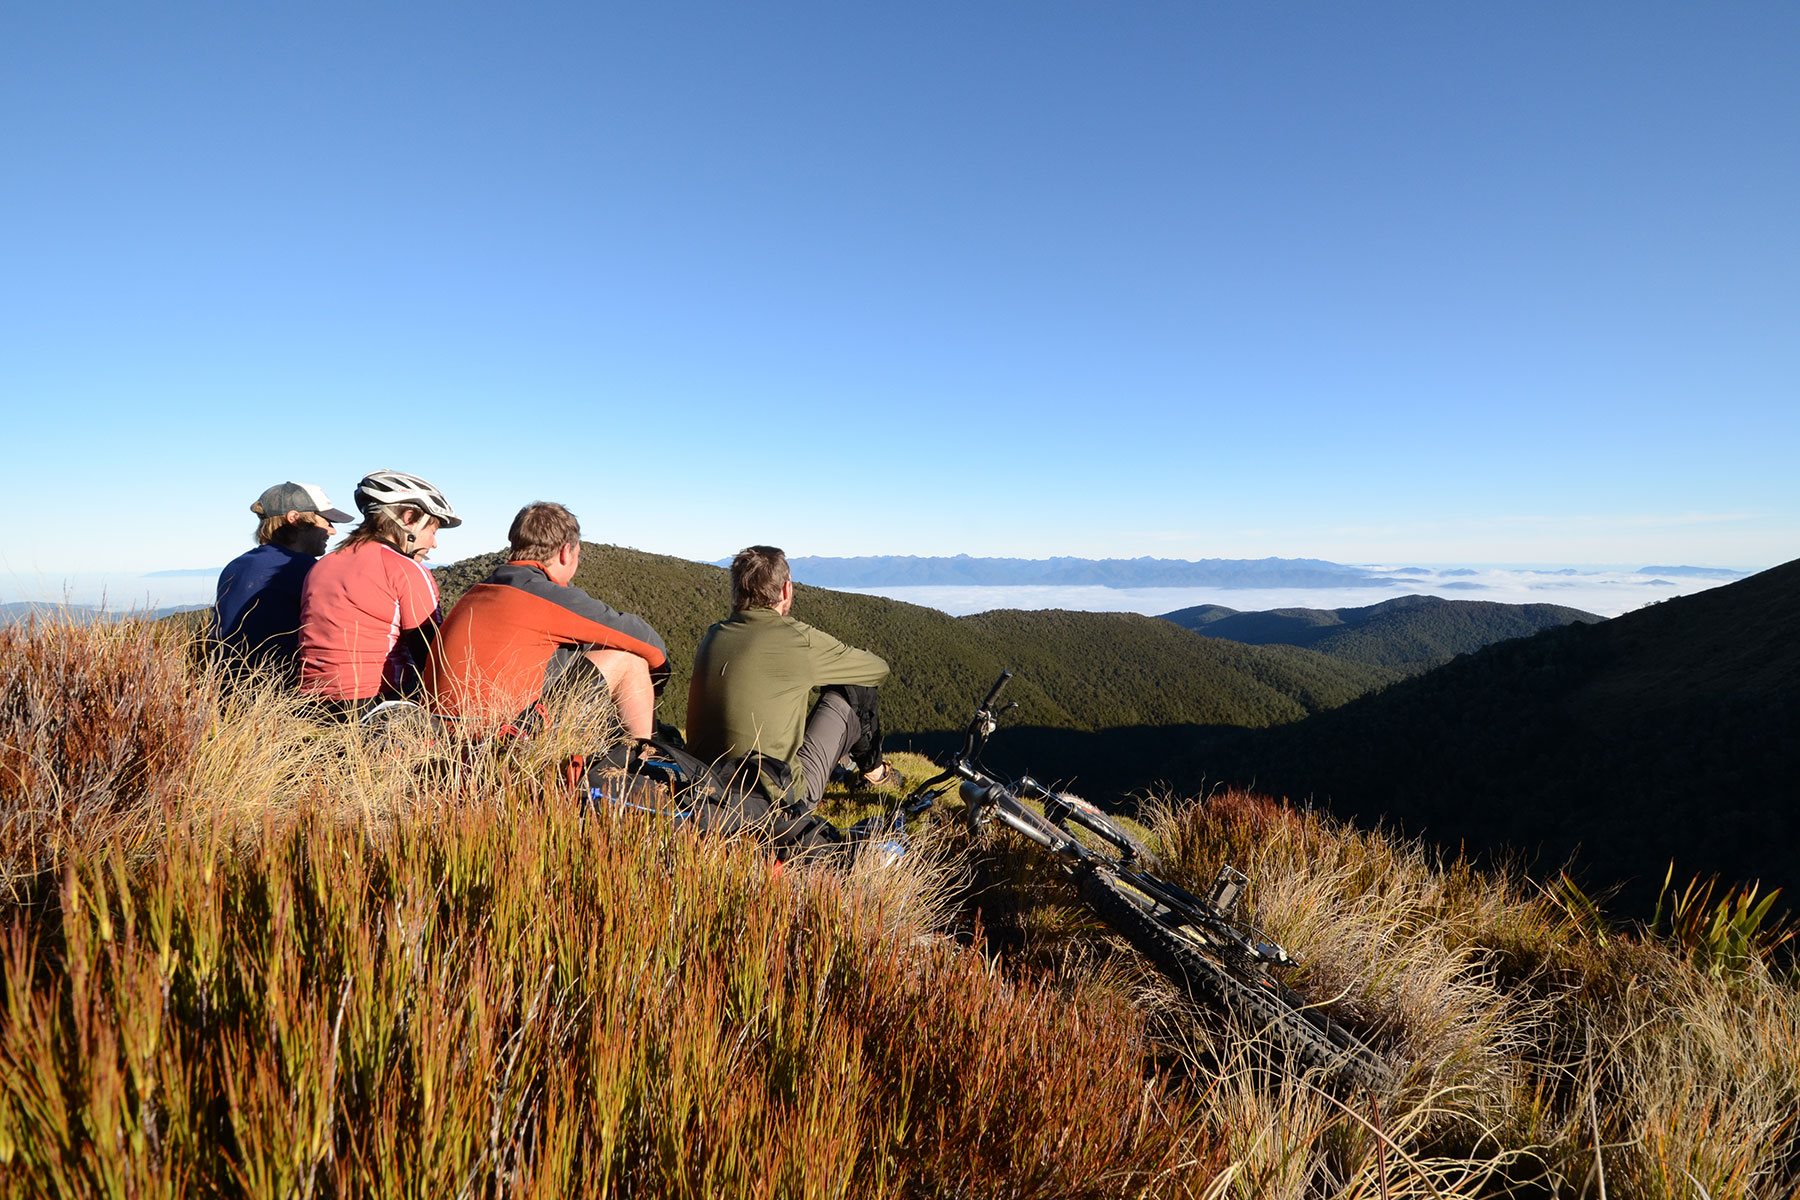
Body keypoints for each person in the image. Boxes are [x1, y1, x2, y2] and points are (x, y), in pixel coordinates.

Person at [426, 501, 668, 736]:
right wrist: (657, 679)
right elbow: (643, 639)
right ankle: (645, 762)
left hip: (448, 737)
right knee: (628, 660)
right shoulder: (543, 595)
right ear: (566, 552)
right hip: (502, 738)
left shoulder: (478, 591)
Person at [686, 545, 901, 808]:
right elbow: (877, 669)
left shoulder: (714, 634)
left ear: (736, 592)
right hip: (778, 801)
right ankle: (876, 773)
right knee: (857, 689)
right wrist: (832, 663)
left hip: (706, 787)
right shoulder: (798, 641)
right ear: (786, 590)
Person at [297, 469, 458, 715]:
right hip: (377, 702)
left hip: (310, 701)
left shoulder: (322, 565)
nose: (434, 543)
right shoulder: (406, 569)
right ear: (410, 517)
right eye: (433, 530)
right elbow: (433, 653)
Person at [210, 481, 354, 682]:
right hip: (282, 690)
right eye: (326, 521)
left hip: (225, 687)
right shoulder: (307, 570)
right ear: (295, 519)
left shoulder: (236, 566)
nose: (332, 531)